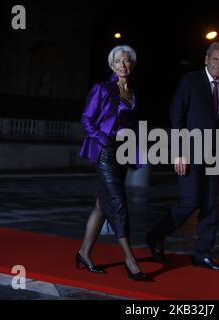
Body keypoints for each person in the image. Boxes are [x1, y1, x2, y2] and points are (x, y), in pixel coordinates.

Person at [146, 42, 219, 271]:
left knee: (210, 206)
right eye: (215, 59)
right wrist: (178, 153)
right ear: (206, 59)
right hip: (190, 152)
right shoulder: (190, 80)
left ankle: (203, 254)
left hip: (214, 156)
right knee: (190, 201)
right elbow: (177, 116)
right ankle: (155, 236)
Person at [77, 45, 145, 281]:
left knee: (102, 204)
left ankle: (84, 252)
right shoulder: (102, 88)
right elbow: (86, 119)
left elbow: (133, 126)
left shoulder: (133, 92)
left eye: (127, 61)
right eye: (118, 61)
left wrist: (136, 153)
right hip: (105, 151)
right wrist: (103, 139)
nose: (123, 65)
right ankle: (130, 259)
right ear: (111, 65)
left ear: (132, 64)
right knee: (117, 202)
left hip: (123, 153)